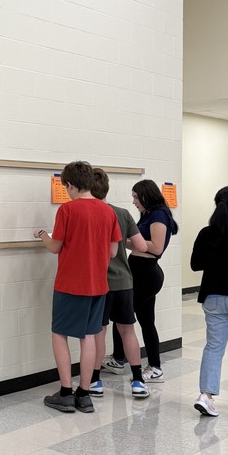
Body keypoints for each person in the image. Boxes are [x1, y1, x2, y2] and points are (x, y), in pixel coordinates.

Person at [33, 160, 121, 414]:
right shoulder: (108, 211)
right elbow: (114, 251)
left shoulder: (67, 210)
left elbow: (55, 247)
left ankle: (65, 393)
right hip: (98, 284)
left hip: (70, 284)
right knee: (90, 336)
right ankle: (84, 394)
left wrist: (42, 235)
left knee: (59, 334)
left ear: (70, 185)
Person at [89, 168, 150, 399]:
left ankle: (95, 381)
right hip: (123, 281)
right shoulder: (123, 213)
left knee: (99, 333)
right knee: (128, 331)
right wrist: (119, 241)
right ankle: (137, 380)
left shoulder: (88, 213)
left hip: (99, 283)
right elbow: (142, 247)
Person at [111, 179, 178, 383]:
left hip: (146, 273)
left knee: (123, 316)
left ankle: (121, 359)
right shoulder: (149, 214)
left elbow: (156, 247)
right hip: (140, 271)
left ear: (146, 195)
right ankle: (145, 363)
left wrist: (124, 241)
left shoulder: (159, 214)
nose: (134, 202)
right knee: (144, 320)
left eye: (136, 197)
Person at [190, 186, 228, 417]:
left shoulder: (206, 233)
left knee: (213, 348)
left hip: (212, 298)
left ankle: (206, 396)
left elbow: (195, 264)